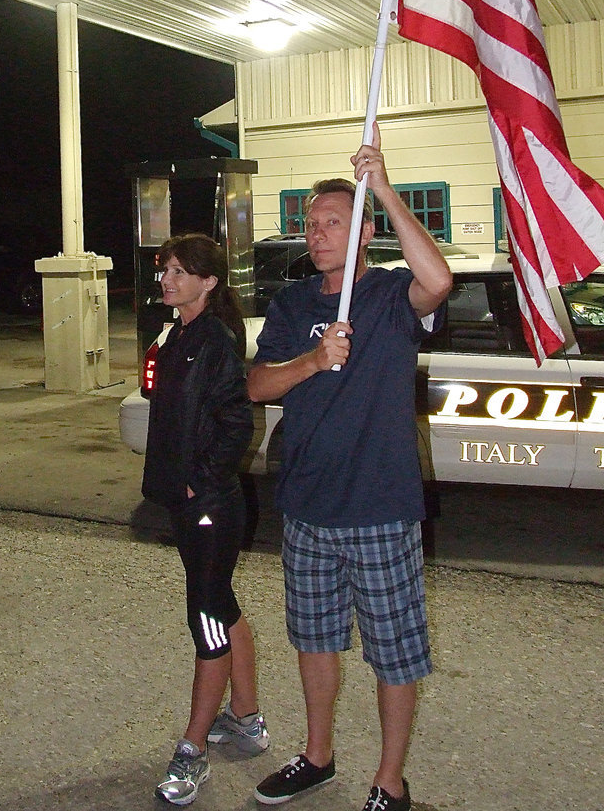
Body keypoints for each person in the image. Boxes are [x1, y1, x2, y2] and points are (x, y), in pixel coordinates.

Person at [249, 124, 452, 811]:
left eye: (335, 221)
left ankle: (389, 782)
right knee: (314, 642)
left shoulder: (391, 296)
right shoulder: (293, 302)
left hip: (380, 506)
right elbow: (255, 385)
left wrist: (386, 189)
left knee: (393, 654)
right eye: (311, 223)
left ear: (365, 233)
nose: (318, 233)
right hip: (307, 503)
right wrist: (311, 361)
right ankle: (318, 756)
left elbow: (440, 279)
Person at [142, 233, 270, 806]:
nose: (165, 280)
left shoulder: (215, 340)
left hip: (210, 506)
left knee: (207, 618)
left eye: (177, 272)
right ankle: (247, 720)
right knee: (222, 604)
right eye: (163, 270)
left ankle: (192, 750)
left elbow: (238, 423)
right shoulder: (180, 335)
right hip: (187, 500)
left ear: (208, 282)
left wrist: (201, 479)